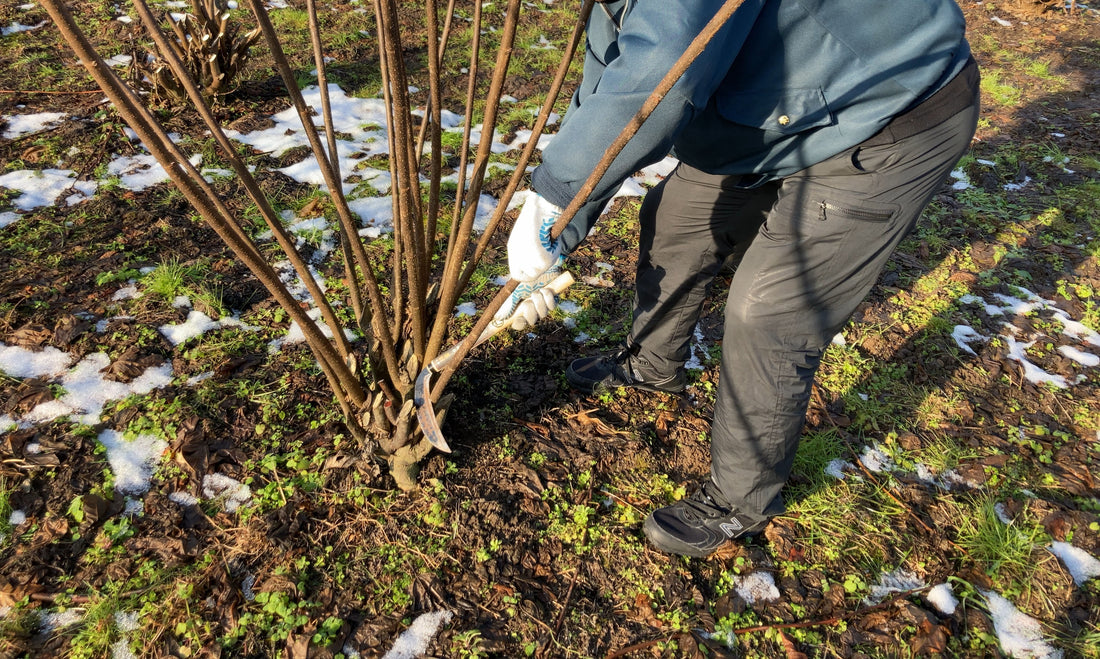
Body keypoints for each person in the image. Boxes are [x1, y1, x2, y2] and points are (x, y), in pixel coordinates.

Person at [495, 0, 979, 558]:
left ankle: (741, 502)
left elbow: (664, 70)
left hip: (887, 109)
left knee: (768, 313)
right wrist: (559, 222)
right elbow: (614, 76)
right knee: (676, 221)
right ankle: (652, 366)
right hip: (780, 105)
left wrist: (554, 191)